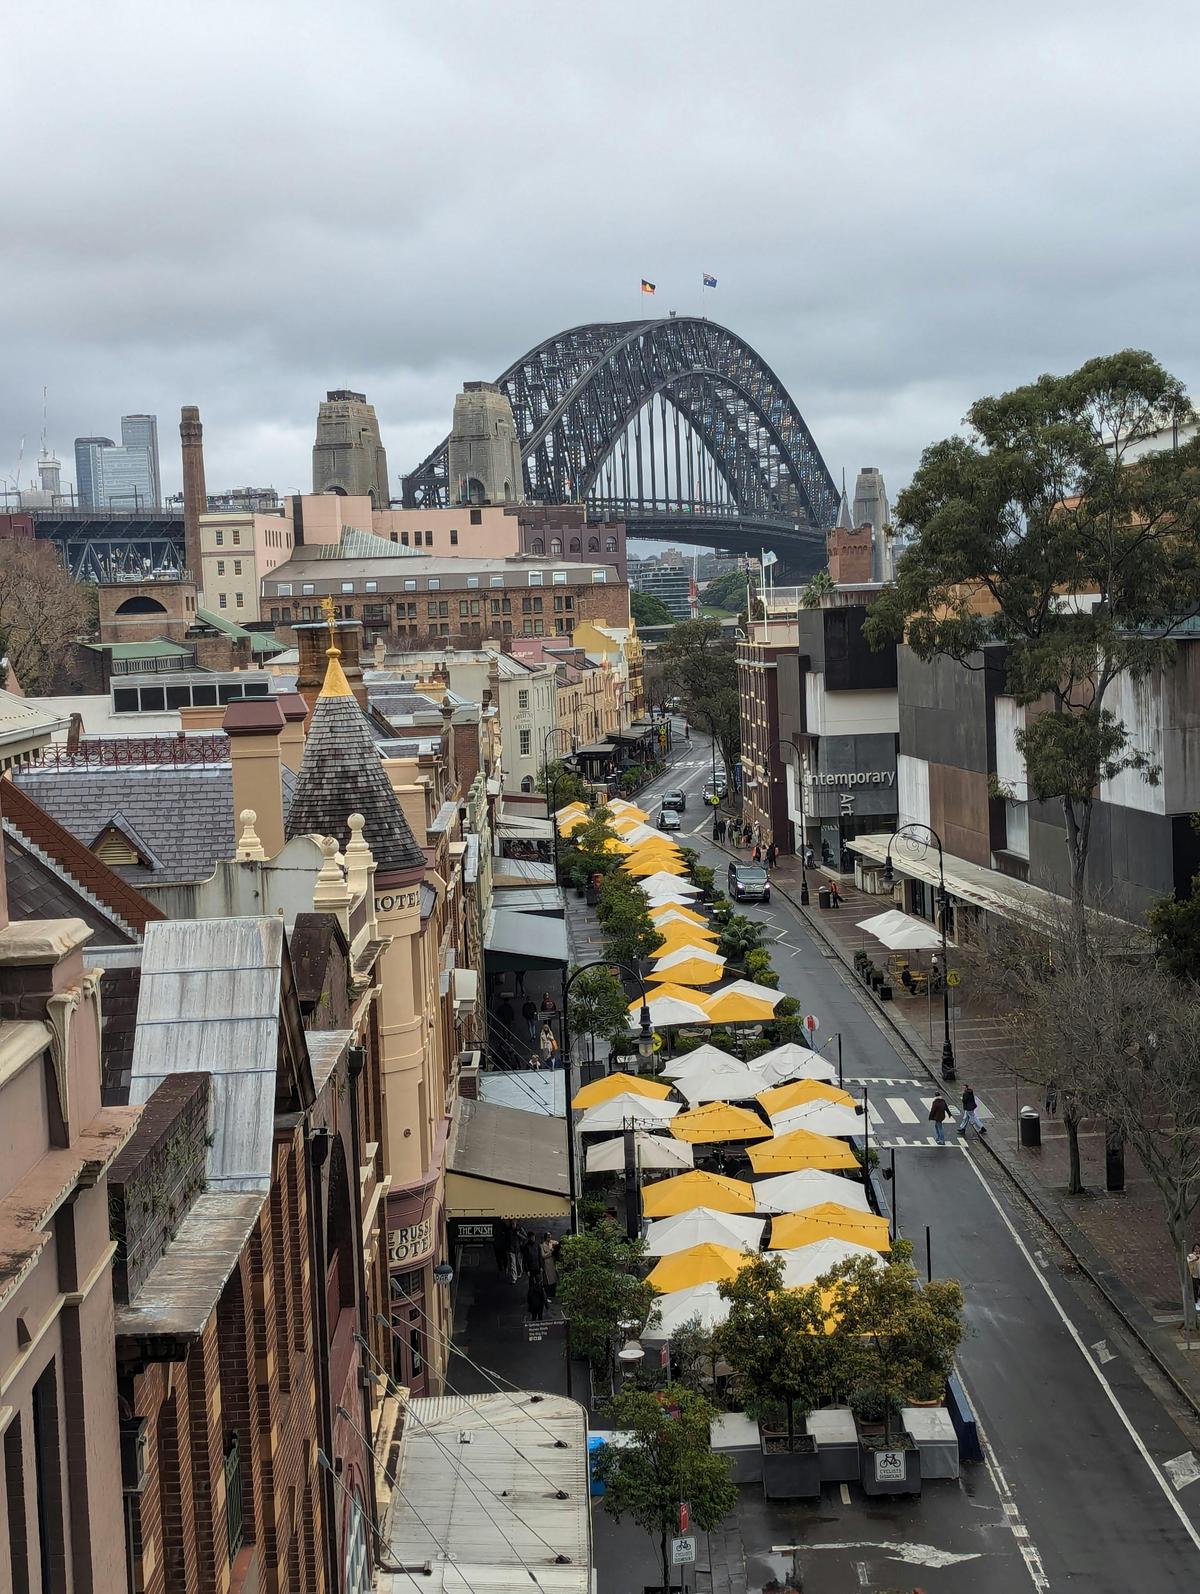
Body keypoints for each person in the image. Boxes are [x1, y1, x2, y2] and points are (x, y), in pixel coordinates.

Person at [540, 1232, 558, 1298]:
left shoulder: (552, 1243)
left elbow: (557, 1243)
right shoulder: (542, 1245)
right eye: (548, 1237)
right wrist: (550, 1253)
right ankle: (548, 1294)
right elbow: (543, 1255)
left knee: (554, 1278)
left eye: (550, 1236)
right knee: (548, 1280)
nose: (549, 1238)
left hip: (552, 1263)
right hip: (547, 1263)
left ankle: (553, 1292)